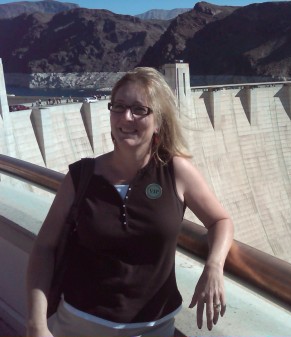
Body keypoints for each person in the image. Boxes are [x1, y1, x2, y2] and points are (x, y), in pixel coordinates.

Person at [26, 67, 235, 337]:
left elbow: (221, 221)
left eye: (139, 109)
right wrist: (36, 325)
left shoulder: (175, 172)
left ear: (158, 121)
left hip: (154, 327)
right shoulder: (81, 177)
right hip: (78, 324)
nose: (127, 117)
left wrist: (214, 266)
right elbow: (44, 248)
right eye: (119, 107)